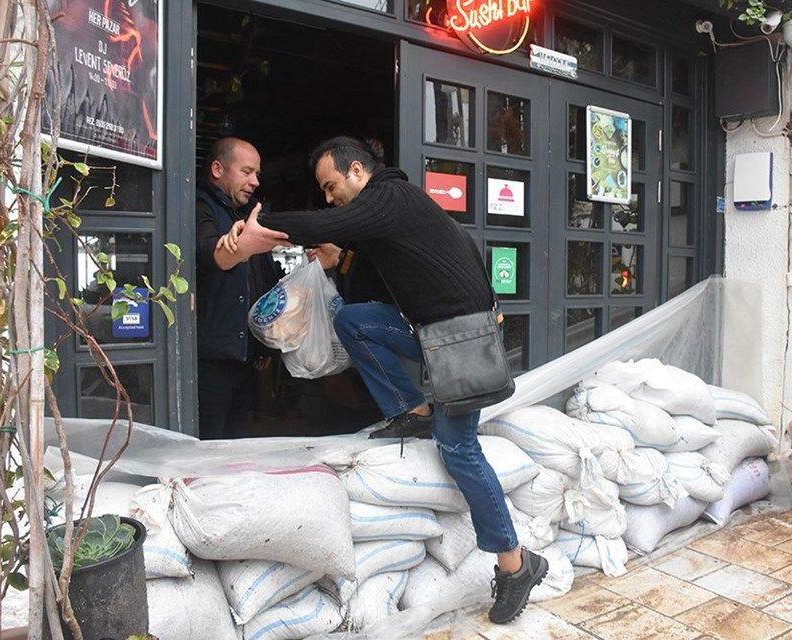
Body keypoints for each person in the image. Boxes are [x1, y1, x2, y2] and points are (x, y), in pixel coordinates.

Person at [226, 136, 547, 623]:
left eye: (332, 186)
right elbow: (368, 280)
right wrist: (340, 260)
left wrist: (264, 223)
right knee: (355, 321)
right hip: (429, 336)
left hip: (460, 341)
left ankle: (515, 563)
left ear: (358, 171)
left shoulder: (390, 196)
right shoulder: (386, 219)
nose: (330, 198)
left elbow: (331, 222)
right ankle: (413, 409)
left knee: (459, 448)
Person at [195, 136, 289, 440]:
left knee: (238, 439)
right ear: (218, 169)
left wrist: (263, 344)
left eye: (257, 174)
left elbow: (261, 282)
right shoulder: (199, 205)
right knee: (211, 440)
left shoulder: (244, 216)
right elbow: (213, 255)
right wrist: (243, 245)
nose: (255, 182)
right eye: (247, 172)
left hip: (245, 354)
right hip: (212, 356)